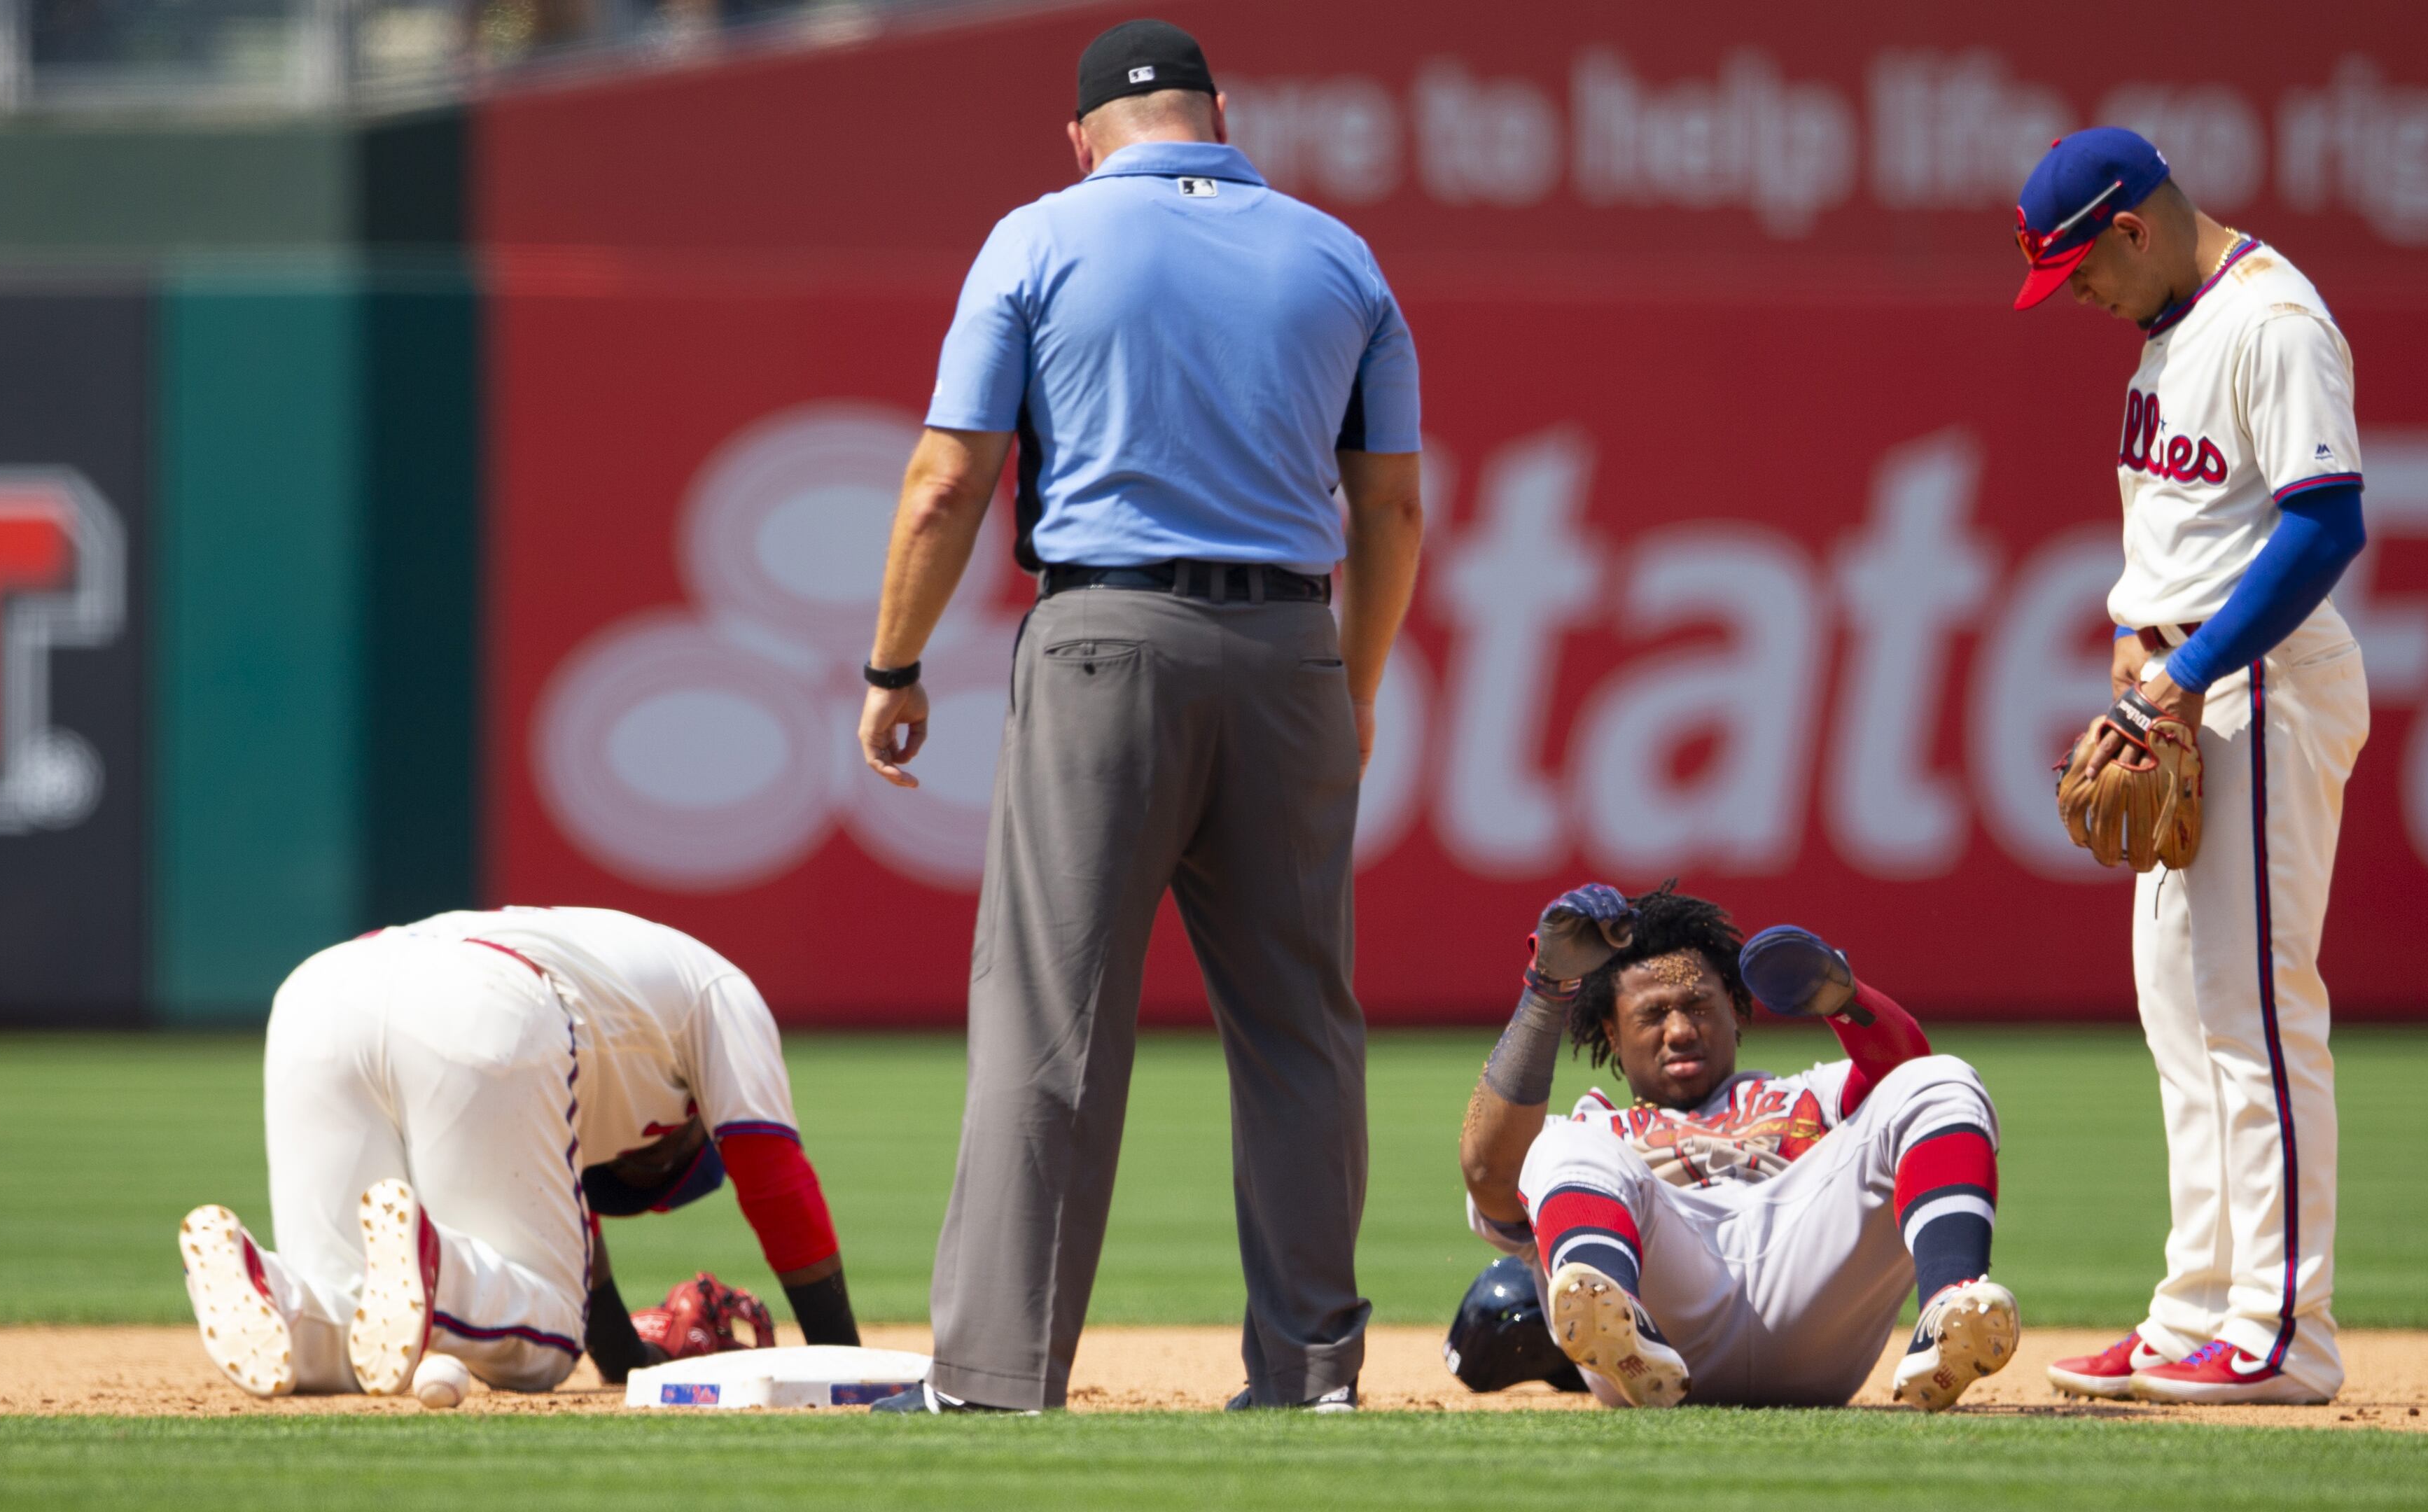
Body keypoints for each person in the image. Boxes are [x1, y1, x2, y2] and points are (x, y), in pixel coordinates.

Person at [855, 18, 1422, 1415]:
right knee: (1301, 1029)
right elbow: (1393, 507)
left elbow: (945, 483)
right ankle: (1308, 1375)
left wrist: (893, 666)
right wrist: (1349, 685)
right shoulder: (1340, 255)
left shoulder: (1039, 237)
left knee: (1052, 1023)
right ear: (1219, 117)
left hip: (1105, 637)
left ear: (1082, 136)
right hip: (1292, 642)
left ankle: (998, 1377)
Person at [2014, 128, 2369, 1406]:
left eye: (2082, 276)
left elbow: (2328, 523)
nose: (2080, 303)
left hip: (2255, 682)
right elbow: (2180, 522)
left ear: (2133, 231)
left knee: (2257, 1015)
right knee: (2182, 1013)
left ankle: (2284, 1333)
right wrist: (2131, 639)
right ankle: (2193, 1314)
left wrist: (2189, 665)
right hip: (2183, 685)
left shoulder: (2274, 320)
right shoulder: (2167, 330)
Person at [175, 906, 860, 1398]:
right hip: (482, 999)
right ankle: (442, 1271)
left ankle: (277, 1290)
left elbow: (573, 1230)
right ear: (691, 1130)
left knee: (355, 1336)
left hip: (322, 991)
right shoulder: (720, 989)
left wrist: (630, 1359)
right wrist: (845, 1361)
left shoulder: (609, 1000)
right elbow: (776, 1182)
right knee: (548, 1341)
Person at [1454, 882, 2018, 1410]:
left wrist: (1847, 998)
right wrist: (1547, 989)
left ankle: (1954, 1306)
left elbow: (1907, 1077)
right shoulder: (1595, 1131)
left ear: (1735, 1012)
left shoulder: (1809, 1095)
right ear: (1612, 1034)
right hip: (1665, 1310)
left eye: (1699, 1007)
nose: (1680, 1030)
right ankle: (1618, 1319)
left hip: (1812, 1298)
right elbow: (1488, 1173)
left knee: (1941, 1077)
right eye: (1652, 1014)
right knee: (1560, 1143)